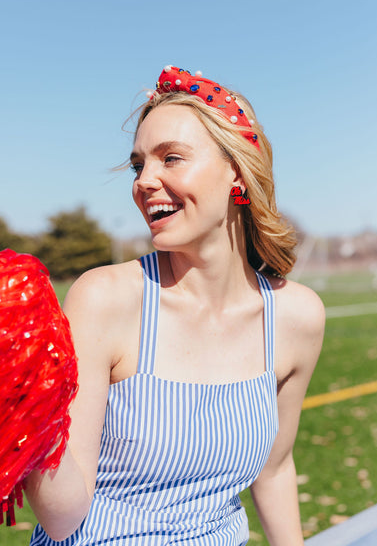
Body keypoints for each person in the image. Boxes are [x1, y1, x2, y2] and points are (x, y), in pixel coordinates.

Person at [26, 66, 325, 545]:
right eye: (138, 164)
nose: (145, 181)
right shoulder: (104, 298)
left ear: (236, 169)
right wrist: (25, 415)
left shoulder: (296, 316)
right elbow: (62, 518)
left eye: (171, 158)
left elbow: (273, 470)